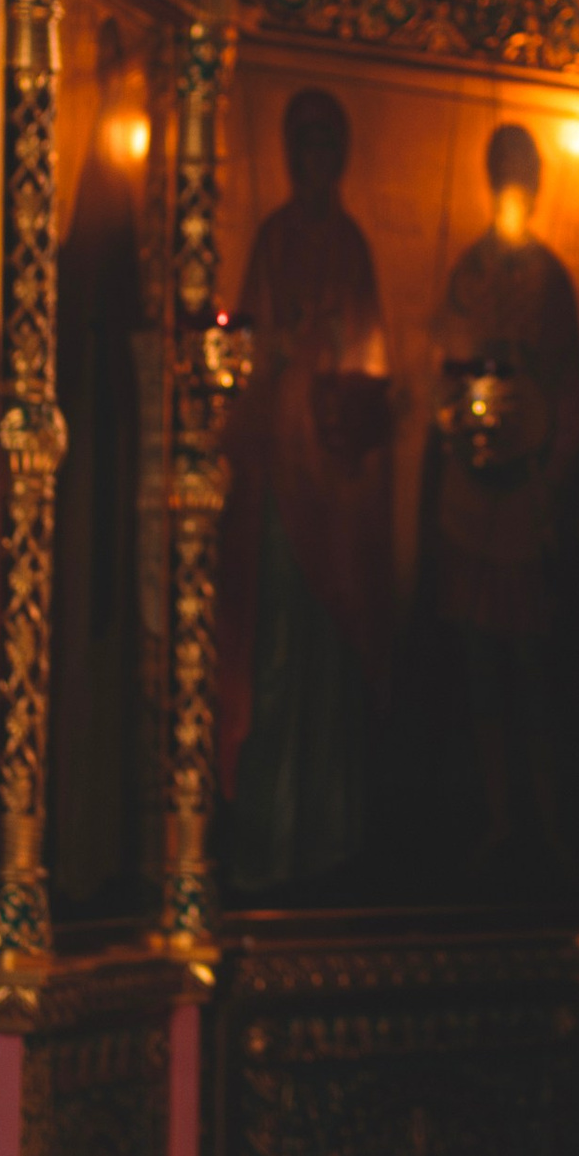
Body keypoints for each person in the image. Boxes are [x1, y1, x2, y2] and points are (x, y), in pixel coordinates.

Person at [217, 88, 395, 895]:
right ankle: (269, 839)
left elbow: (370, 365)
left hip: (338, 492)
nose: (315, 161)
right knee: (277, 654)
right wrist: (284, 346)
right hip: (280, 481)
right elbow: (247, 352)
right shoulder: (274, 238)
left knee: (331, 665)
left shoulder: (350, 245)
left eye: (328, 146)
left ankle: (328, 838)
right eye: (306, 145)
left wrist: (333, 354)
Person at [415, 124, 579, 899]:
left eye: (524, 169)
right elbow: (443, 372)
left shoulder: (550, 279)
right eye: (504, 169)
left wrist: (552, 482)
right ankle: (491, 818)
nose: (514, 182)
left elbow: (571, 392)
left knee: (530, 669)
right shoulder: (469, 272)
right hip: (470, 494)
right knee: (479, 669)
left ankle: (548, 824)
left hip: (528, 495)